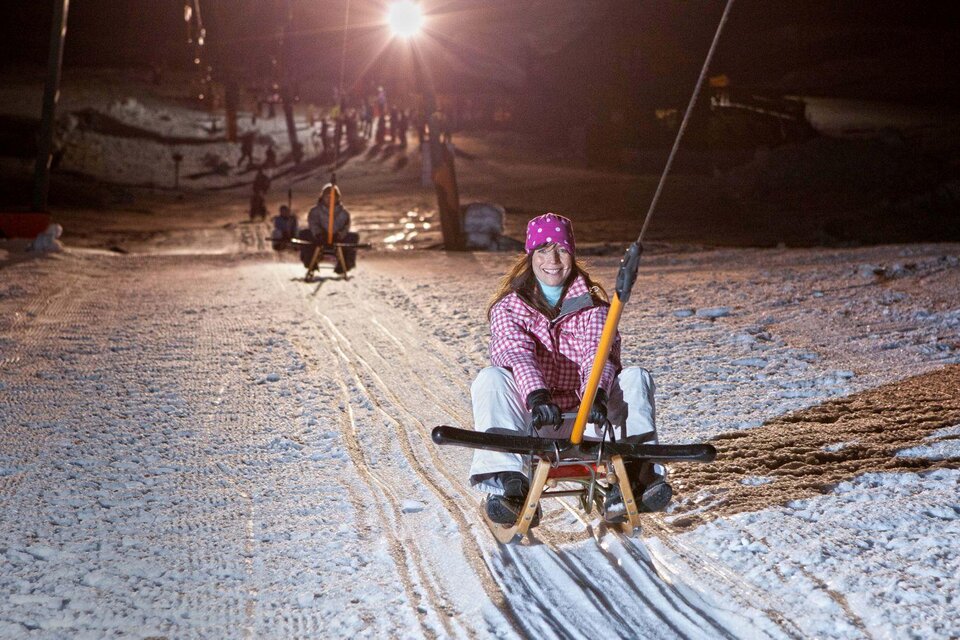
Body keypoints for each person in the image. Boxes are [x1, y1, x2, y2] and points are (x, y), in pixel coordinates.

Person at [468, 213, 671, 527]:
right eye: (543, 250)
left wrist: (597, 397)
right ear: (530, 256)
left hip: (589, 416)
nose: (553, 259)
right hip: (534, 421)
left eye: (561, 250)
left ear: (572, 255)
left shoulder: (595, 308)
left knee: (635, 377)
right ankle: (511, 488)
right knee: (491, 378)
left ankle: (637, 477)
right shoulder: (508, 308)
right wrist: (537, 396)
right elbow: (516, 353)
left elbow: (598, 357)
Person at [299, 183, 359, 274]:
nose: (330, 199)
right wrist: (319, 234)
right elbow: (313, 224)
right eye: (327, 196)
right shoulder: (315, 211)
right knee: (304, 235)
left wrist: (340, 235)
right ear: (322, 197)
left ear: (337, 198)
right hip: (319, 238)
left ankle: (345, 265)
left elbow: (346, 227)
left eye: (333, 197)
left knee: (353, 237)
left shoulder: (344, 213)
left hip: (338, 238)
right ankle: (310, 263)